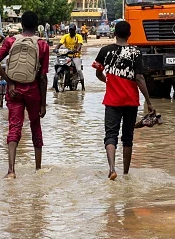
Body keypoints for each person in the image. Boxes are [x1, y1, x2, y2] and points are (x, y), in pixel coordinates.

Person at [93, 21, 155, 180]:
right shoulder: (136, 52)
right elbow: (140, 78)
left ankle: (112, 168)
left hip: (112, 101)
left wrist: (107, 80)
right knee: (127, 138)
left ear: (114, 33)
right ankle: (126, 173)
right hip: (131, 101)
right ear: (129, 34)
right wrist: (149, 102)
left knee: (110, 135)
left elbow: (98, 72)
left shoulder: (105, 51)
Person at [0, 11, 49, 179]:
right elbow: (43, 77)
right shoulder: (42, 45)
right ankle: (38, 169)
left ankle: (11, 171)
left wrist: (9, 82)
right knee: (35, 126)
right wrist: (43, 104)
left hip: (14, 90)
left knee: (14, 127)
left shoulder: (11, 40)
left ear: (21, 24)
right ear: (37, 26)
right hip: (33, 90)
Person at [58, 24, 85, 91]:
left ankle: (83, 86)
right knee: (59, 64)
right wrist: (56, 49)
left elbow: (79, 44)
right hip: (66, 55)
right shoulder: (65, 36)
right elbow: (60, 43)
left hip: (75, 56)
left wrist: (77, 50)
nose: (71, 31)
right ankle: (55, 82)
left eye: (72, 30)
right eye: (70, 30)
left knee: (78, 69)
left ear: (75, 30)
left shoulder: (78, 36)